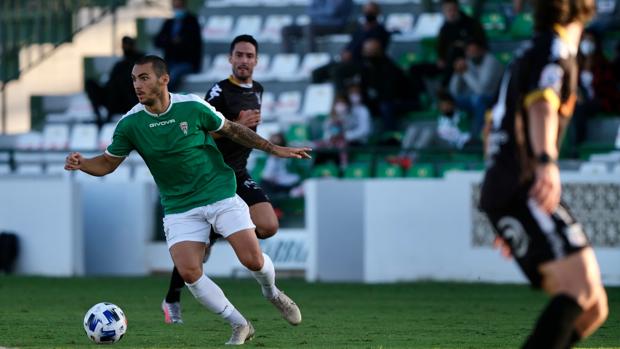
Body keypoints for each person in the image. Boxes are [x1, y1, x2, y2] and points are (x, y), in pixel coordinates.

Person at [64, 55, 310, 345]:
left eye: (144, 78)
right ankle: (239, 324)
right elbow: (107, 163)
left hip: (218, 192)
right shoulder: (130, 124)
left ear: (163, 79)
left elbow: (232, 129)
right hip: (179, 207)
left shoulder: (192, 106)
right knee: (190, 272)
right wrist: (83, 163)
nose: (137, 85)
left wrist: (273, 148)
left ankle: (272, 292)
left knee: (252, 260)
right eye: (134, 79)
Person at [480, 1, 608, 348]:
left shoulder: (531, 51)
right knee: (578, 289)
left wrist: (506, 212)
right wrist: (545, 161)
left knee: (594, 308)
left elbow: (491, 127)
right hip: (520, 186)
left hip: (511, 190)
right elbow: (541, 105)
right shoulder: (553, 47)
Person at [161, 34, 282, 325]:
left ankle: (218, 231)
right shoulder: (218, 92)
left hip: (238, 173)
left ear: (256, 60)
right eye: (238, 55)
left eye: (249, 56)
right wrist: (236, 126)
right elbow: (199, 132)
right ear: (230, 59)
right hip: (213, 176)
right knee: (195, 254)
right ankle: (172, 299)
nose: (244, 60)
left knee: (268, 225)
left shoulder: (259, 90)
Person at [448, 37, 503, 142]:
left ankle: (477, 137)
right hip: (474, 98)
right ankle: (453, 137)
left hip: (493, 98)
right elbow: (454, 91)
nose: (471, 54)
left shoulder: (491, 62)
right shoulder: (469, 62)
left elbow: (482, 90)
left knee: (479, 100)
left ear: (482, 50)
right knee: (450, 101)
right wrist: (457, 72)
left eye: (474, 51)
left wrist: (465, 72)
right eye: (469, 51)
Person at [85, 36, 143, 128]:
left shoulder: (142, 61)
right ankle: (98, 116)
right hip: (112, 99)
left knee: (118, 83)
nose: (125, 47)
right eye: (124, 45)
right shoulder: (119, 64)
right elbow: (110, 82)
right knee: (90, 83)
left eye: (128, 45)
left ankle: (109, 116)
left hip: (129, 100)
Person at [153, 0, 202, 92]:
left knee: (170, 78)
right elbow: (158, 41)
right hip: (169, 62)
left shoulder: (192, 21)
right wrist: (172, 41)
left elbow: (192, 44)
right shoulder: (169, 22)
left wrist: (172, 42)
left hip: (186, 62)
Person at [281, 0, 353, 53]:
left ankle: (312, 56)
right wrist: (323, 13)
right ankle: (288, 57)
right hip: (317, 24)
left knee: (309, 28)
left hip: (334, 25)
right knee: (286, 29)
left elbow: (332, 11)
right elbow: (309, 12)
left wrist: (318, 13)